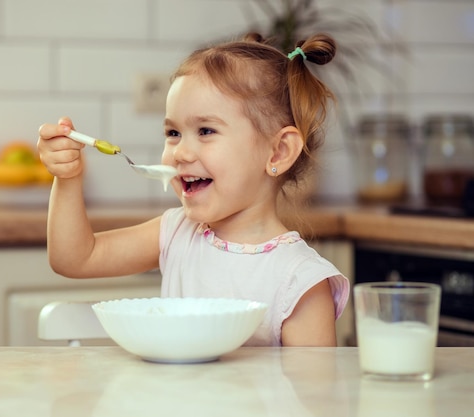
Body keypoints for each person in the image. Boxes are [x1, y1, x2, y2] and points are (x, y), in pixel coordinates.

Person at [37, 32, 350, 347]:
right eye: (173, 132)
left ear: (279, 152)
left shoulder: (300, 282)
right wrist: (67, 179)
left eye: (205, 130)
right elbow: (74, 259)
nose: (181, 153)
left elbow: (313, 393)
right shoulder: (176, 233)